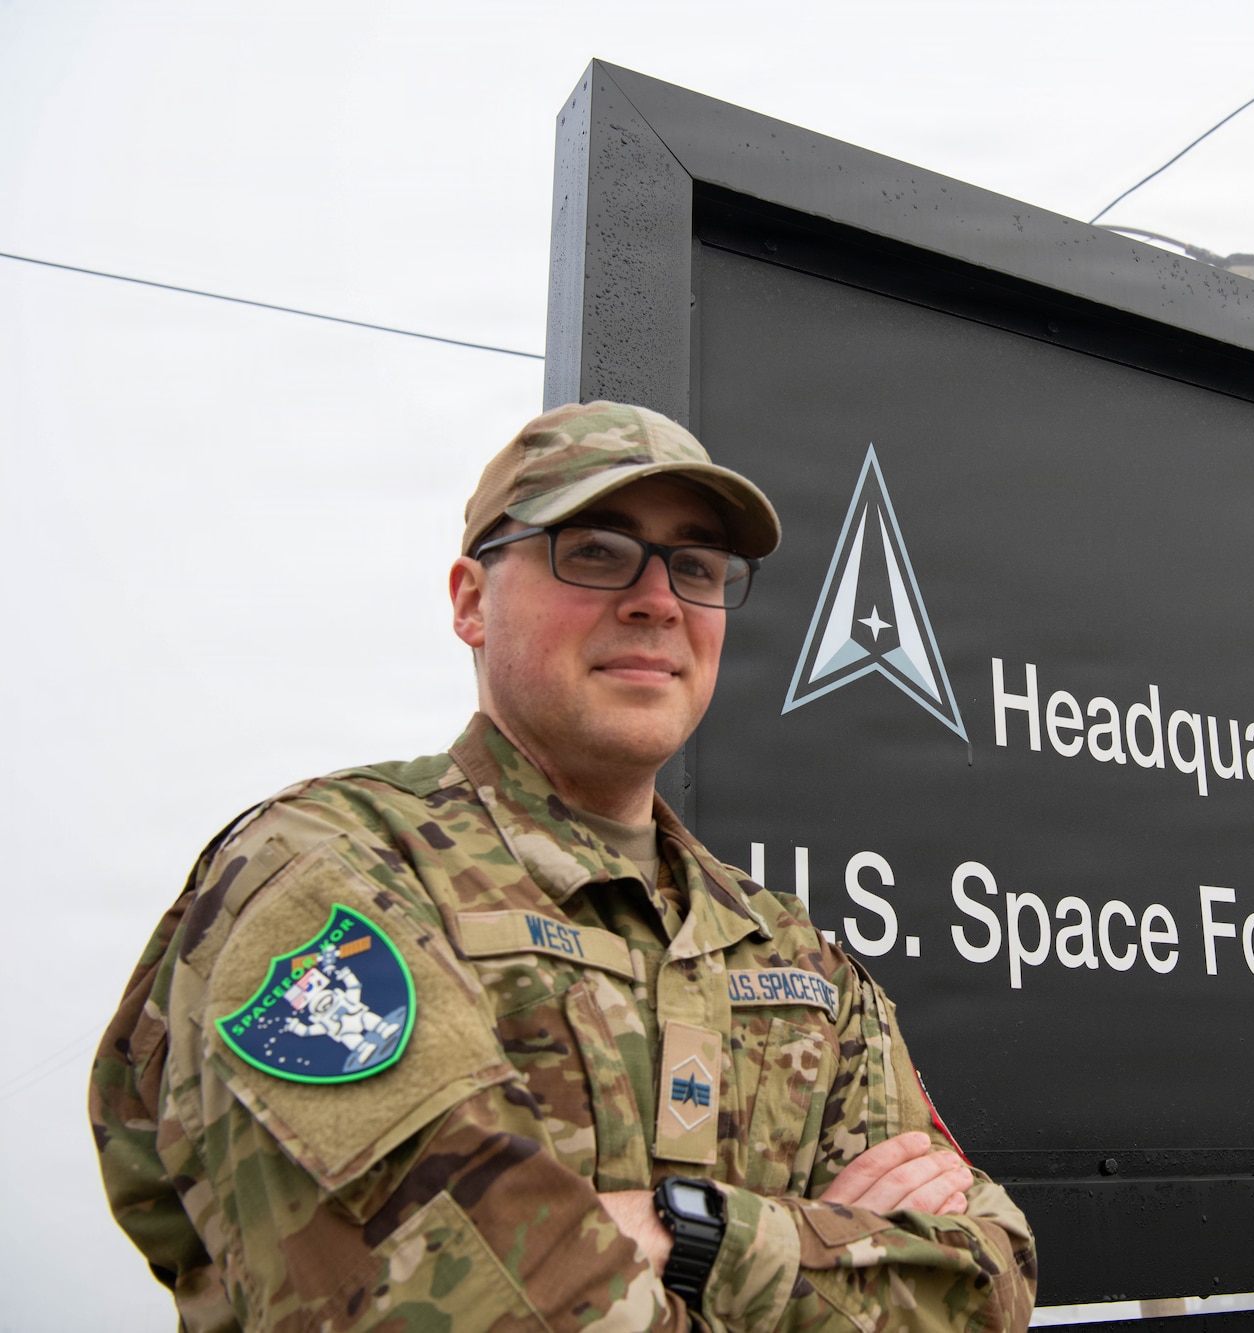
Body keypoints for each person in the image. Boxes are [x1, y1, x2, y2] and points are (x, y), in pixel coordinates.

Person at [90, 401, 1037, 1333]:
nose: (657, 599)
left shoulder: (794, 954)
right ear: (471, 600)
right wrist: (823, 1254)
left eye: (697, 566)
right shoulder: (332, 876)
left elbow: (991, 1279)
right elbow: (452, 1302)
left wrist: (691, 1237)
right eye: (594, 549)